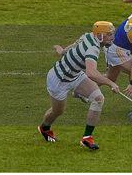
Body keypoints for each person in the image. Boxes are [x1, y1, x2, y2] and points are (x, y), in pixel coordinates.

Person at [38, 21, 120, 150]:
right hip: (58, 80)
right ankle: (44, 128)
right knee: (58, 111)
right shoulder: (93, 48)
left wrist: (62, 51)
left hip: (76, 76)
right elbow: (91, 72)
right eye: (109, 34)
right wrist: (110, 83)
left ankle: (87, 138)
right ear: (100, 35)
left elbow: (74, 45)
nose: (112, 37)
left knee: (98, 99)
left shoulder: (88, 35)